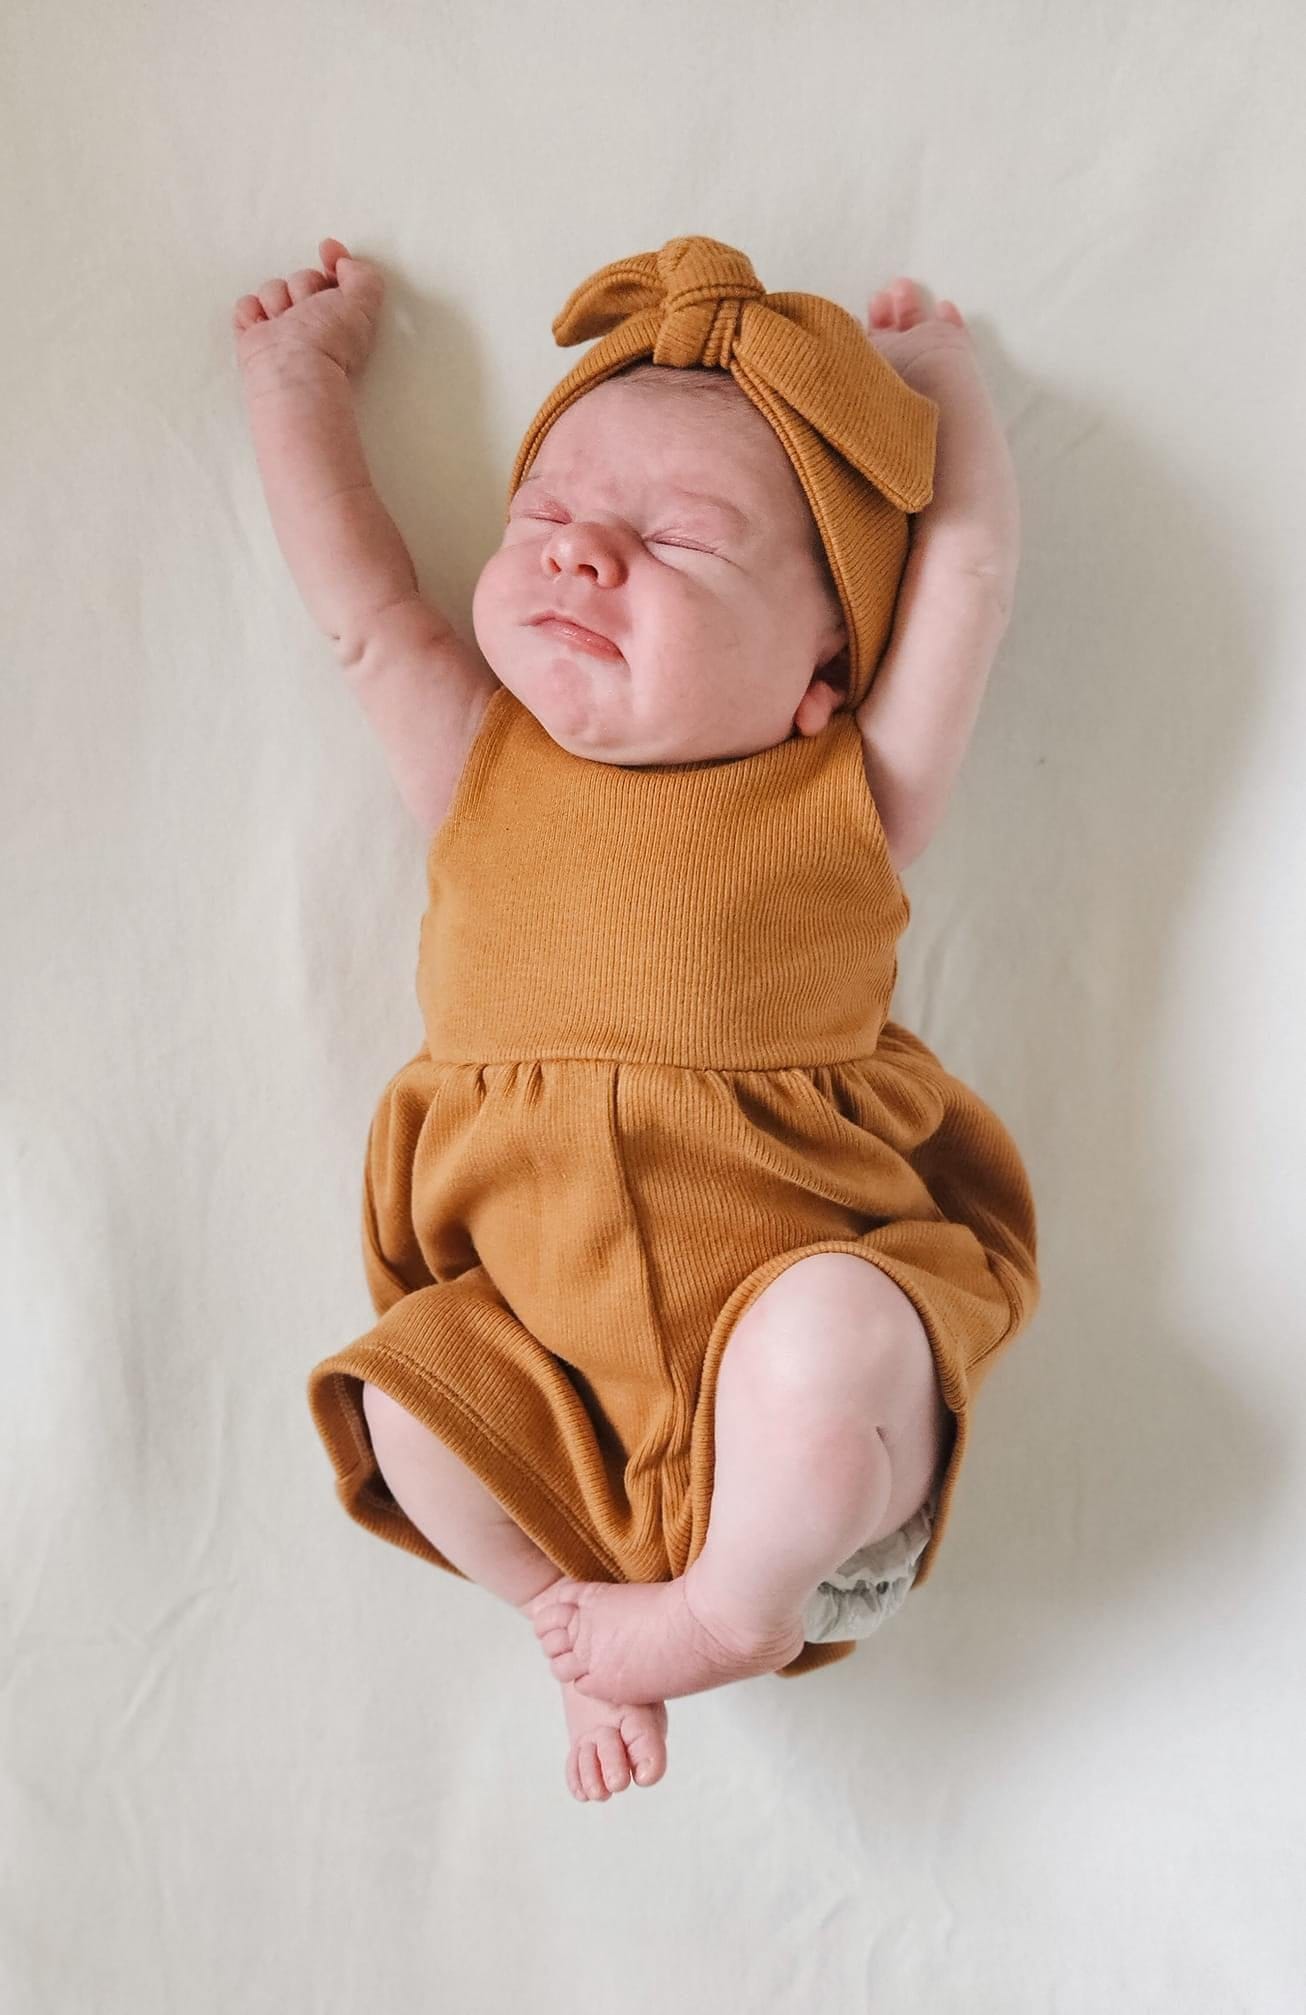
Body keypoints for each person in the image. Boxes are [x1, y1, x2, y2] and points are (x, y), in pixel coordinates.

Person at [232, 234, 1039, 1805]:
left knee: (832, 1332)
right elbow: (361, 604)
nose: (581, 554)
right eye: (546, 517)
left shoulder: (846, 792)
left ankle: (722, 1613)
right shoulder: (476, 755)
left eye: (677, 541)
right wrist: (298, 392)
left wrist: (946, 401)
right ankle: (568, 1620)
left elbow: (974, 577)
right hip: (543, 1367)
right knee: (404, 1393)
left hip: (796, 1378)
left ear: (823, 670)